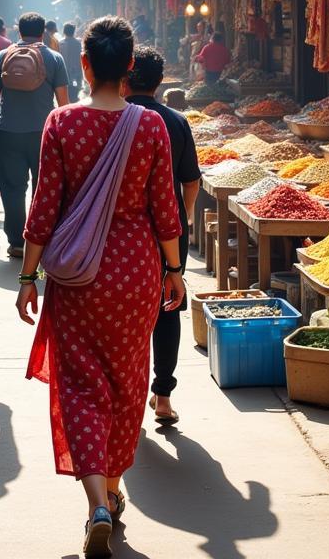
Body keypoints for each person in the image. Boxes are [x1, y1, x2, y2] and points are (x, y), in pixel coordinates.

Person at [17, 16, 184, 558]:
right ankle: (113, 488)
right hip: (136, 272)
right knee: (127, 380)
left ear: (84, 64)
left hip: (78, 276)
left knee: (82, 385)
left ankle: (95, 503)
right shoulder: (151, 126)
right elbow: (166, 209)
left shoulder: (61, 124)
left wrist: (27, 276)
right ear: (130, 67)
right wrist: (175, 270)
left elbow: (43, 210)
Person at [124, 45, 200, 425]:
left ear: (125, 75)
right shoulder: (174, 121)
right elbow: (191, 180)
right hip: (169, 231)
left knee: (126, 311)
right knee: (168, 308)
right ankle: (163, 396)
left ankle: (129, 399)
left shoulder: (114, 119)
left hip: (123, 233)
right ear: (160, 80)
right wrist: (183, 217)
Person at [0, 13, 68, 259]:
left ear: (18, 31)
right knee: (43, 188)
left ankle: (16, 241)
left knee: (12, 188)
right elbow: (63, 103)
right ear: (43, 32)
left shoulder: (2, 57)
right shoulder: (54, 58)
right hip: (44, 134)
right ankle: (39, 240)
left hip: (8, 132)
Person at [58, 23, 83, 103]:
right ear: (74, 31)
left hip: (63, 72)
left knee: (66, 95)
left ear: (64, 31)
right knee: (75, 94)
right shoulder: (78, 43)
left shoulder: (60, 43)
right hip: (76, 72)